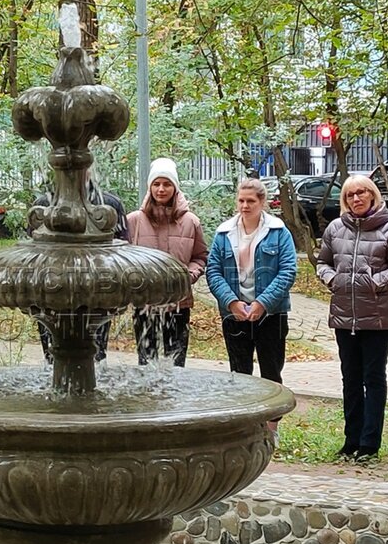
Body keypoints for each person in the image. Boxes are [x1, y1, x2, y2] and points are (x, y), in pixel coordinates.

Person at [315, 175, 388, 460]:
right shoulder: (335, 228)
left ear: (373, 195)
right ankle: (350, 439)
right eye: (351, 195)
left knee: (373, 378)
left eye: (362, 193)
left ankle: (369, 443)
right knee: (350, 378)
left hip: (378, 317)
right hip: (344, 315)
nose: (356, 199)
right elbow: (322, 262)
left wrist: (375, 281)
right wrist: (333, 279)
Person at [207, 176, 297, 381]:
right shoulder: (224, 233)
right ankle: (243, 413)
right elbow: (213, 271)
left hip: (272, 313)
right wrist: (231, 302)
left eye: (251, 201)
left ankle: (272, 415)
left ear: (262, 202)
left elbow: (288, 271)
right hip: (234, 313)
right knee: (239, 375)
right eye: (241, 201)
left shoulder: (279, 231)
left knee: (271, 373)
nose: (245, 206)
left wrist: (262, 303)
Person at [32, 179, 129, 363]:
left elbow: (122, 249)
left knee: (96, 355)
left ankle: (91, 388)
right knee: (52, 355)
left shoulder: (109, 203)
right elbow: (33, 251)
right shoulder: (43, 204)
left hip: (97, 293)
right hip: (52, 292)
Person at [127, 158, 208, 366]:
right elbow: (121, 258)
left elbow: (200, 257)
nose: (161, 189)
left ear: (175, 187)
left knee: (176, 363)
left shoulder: (191, 222)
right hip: (144, 302)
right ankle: (148, 398)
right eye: (156, 184)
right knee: (146, 363)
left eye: (167, 184)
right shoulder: (134, 221)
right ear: (149, 187)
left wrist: (188, 276)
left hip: (178, 302)